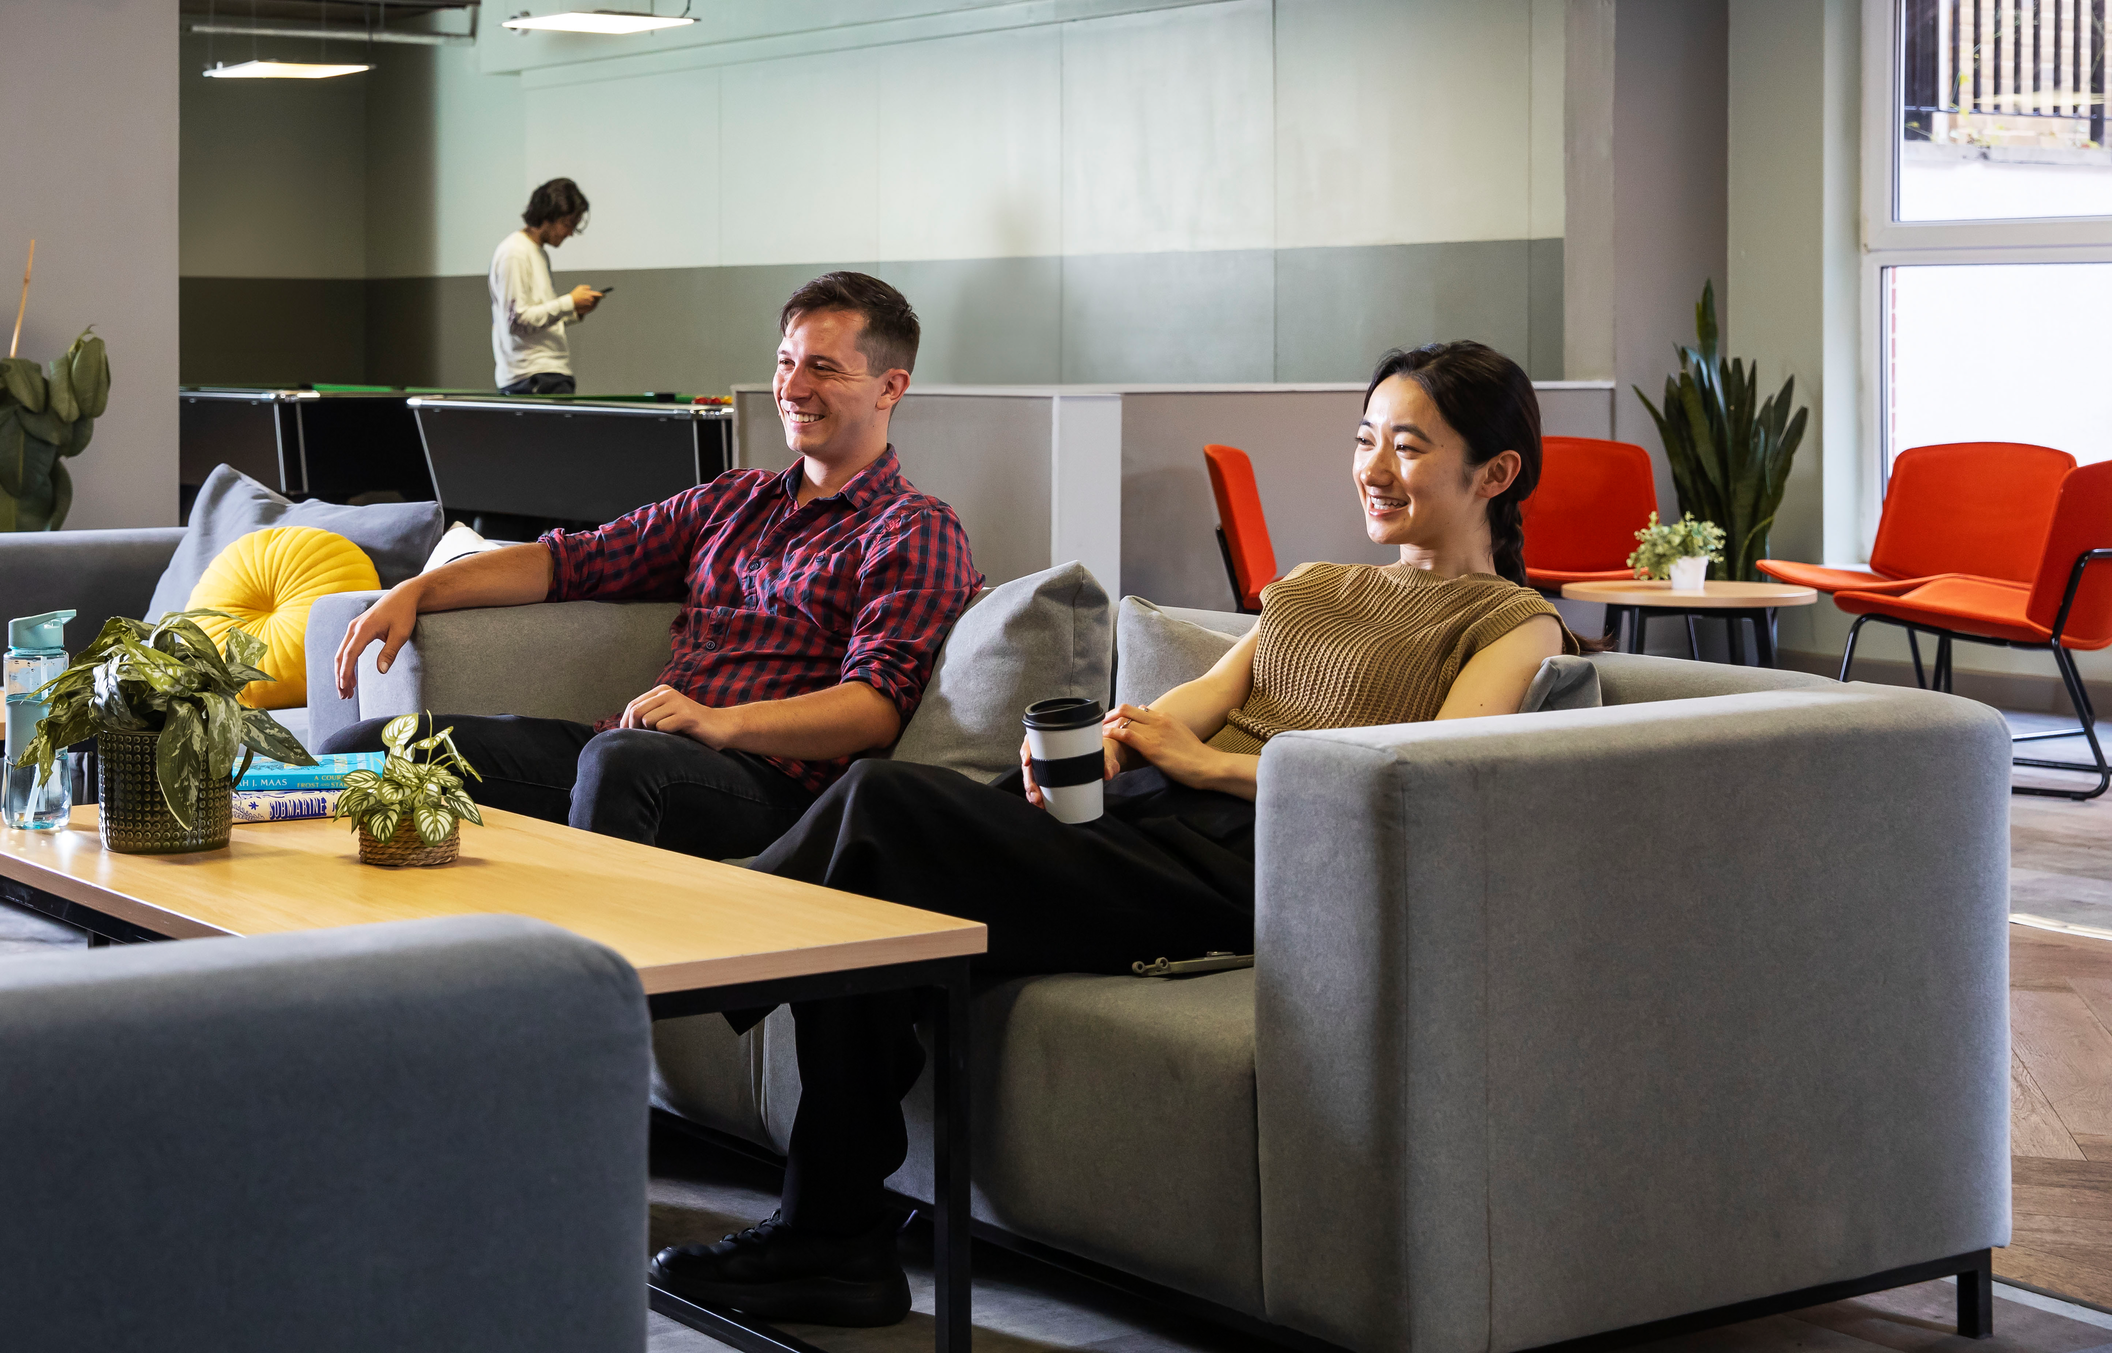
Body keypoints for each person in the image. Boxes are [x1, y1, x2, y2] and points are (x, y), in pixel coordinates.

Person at [649, 340, 1568, 1329]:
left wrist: (1206, 764)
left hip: (1254, 859)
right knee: (884, 889)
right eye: (1364, 440)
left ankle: (676, 979)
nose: (1373, 469)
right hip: (1145, 822)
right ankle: (832, 1242)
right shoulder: (1316, 585)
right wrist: (1104, 748)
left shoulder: (1513, 625)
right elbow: (1188, 706)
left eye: (1408, 446)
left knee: (884, 805)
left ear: (1497, 472)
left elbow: (1424, 789)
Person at [328, 271, 978, 859]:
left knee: (621, 761)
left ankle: (587, 983)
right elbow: (569, 562)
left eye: (824, 368)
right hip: (628, 753)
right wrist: (417, 588)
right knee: (365, 753)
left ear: (890, 386)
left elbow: (876, 704)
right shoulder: (732, 499)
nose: (794, 386)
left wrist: (722, 724)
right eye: (786, 361)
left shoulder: (911, 526)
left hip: (769, 782)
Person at [491, 177, 602, 395]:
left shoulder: (536, 252)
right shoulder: (514, 253)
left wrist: (574, 311)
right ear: (548, 216)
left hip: (542, 375)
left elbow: (533, 319)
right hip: (533, 377)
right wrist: (569, 302)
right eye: (568, 224)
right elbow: (517, 322)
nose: (570, 232)